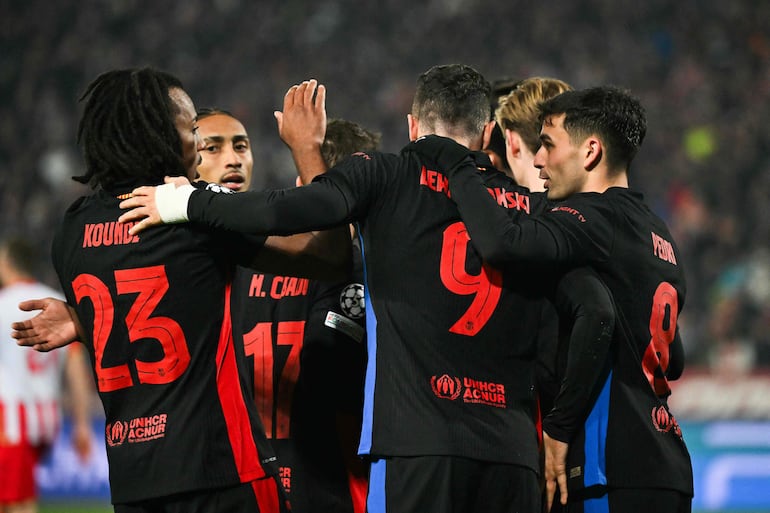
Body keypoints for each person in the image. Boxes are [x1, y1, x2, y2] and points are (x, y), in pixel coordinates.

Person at [118, 64, 547, 513]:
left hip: (418, 444)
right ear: (487, 133)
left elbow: (298, 211)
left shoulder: (387, 177)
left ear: (412, 125)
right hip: (512, 452)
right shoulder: (532, 211)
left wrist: (187, 200)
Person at [15, 67, 351, 513]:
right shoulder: (189, 210)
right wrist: (307, 149)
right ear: (157, 133)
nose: (197, 140)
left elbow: (143, 293)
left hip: (134, 481)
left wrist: (83, 318)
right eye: (190, 128)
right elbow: (329, 255)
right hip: (222, 469)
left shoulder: (72, 229)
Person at [429, 85, 693, 512]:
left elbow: (503, 243)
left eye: (549, 145)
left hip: (610, 467)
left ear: (590, 152)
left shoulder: (593, 216)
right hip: (667, 465)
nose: (538, 159)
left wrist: (456, 166)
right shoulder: (659, 234)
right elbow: (673, 358)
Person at [195, 106, 374, 513]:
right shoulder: (207, 268)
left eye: (242, 146)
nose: (234, 158)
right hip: (258, 483)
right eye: (214, 147)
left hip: (306, 485)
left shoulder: (268, 260)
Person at [0, 236, 93, 513]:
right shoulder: (60, 305)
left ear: (7, 263)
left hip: (10, 420)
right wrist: (82, 424)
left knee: (17, 503)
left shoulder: (3, 304)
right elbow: (77, 371)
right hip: (45, 419)